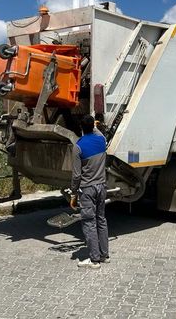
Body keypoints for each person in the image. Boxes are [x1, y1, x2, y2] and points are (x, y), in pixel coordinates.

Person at [71, 115, 109, 269]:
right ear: (92, 126)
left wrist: (73, 193)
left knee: (89, 223)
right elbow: (100, 134)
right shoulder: (101, 141)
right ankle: (104, 255)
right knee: (101, 220)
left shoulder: (78, 147)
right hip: (102, 186)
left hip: (87, 189)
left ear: (81, 128)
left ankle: (94, 260)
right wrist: (96, 126)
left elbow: (76, 175)